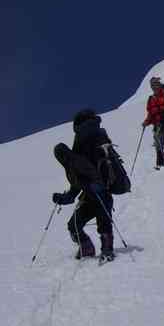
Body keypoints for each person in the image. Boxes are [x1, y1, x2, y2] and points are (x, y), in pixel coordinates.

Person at [52, 109, 117, 262]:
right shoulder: (74, 164)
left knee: (90, 223)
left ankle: (100, 248)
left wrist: (64, 198)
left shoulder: (78, 154)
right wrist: (64, 198)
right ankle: (97, 248)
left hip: (96, 195)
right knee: (84, 222)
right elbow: (78, 185)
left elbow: (84, 177)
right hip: (96, 194)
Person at [143, 77, 164, 170]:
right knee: (159, 145)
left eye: (156, 84)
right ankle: (160, 164)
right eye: (153, 85)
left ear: (159, 85)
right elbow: (151, 113)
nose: (155, 87)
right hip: (157, 125)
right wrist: (146, 122)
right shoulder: (151, 99)